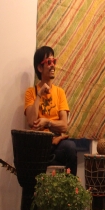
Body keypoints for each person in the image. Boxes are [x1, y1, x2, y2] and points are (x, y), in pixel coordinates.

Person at [24, 46, 77, 175]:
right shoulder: (31, 92)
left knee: (70, 148)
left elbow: (64, 125)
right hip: (39, 144)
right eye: (49, 62)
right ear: (40, 68)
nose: (53, 65)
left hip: (56, 143)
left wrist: (47, 122)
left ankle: (70, 186)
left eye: (54, 61)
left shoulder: (59, 92)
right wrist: (39, 95)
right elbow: (31, 121)